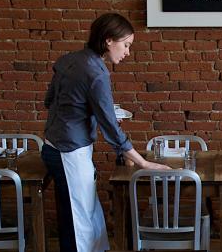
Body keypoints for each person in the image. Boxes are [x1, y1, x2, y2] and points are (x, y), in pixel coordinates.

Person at [41, 13, 169, 252]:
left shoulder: (68, 60)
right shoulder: (96, 73)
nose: (127, 52)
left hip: (51, 147)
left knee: (78, 216)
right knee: (80, 224)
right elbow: (110, 127)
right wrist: (142, 162)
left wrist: (89, 110)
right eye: (126, 45)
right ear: (109, 40)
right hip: (69, 152)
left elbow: (50, 101)